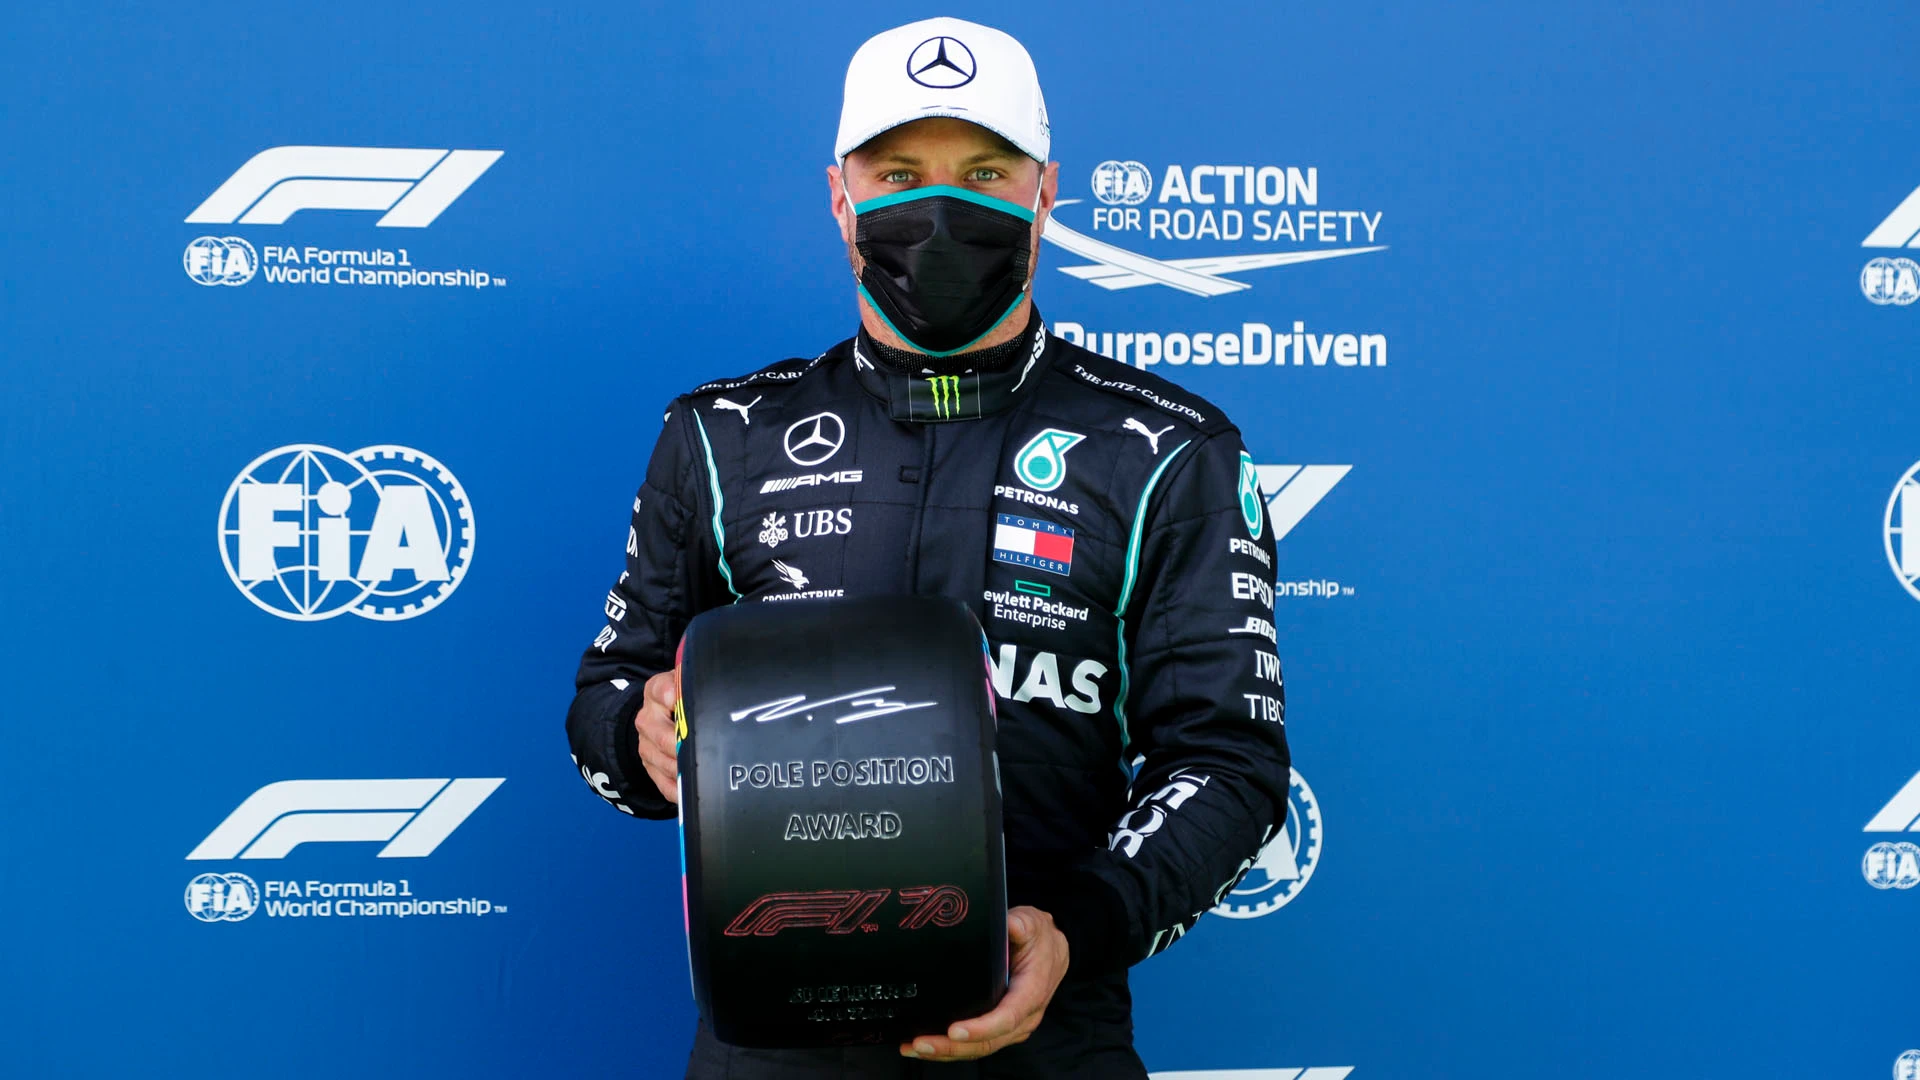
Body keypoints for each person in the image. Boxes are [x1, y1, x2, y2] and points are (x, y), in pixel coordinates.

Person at [566, 16, 1291, 1079]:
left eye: (986, 173)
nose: (941, 210)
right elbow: (602, 708)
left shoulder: (1167, 449)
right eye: (898, 173)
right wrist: (644, 735)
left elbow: (1230, 763)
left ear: (1046, 194)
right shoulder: (722, 437)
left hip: (1051, 1041)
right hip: (769, 1048)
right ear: (839, 195)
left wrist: (1076, 930)